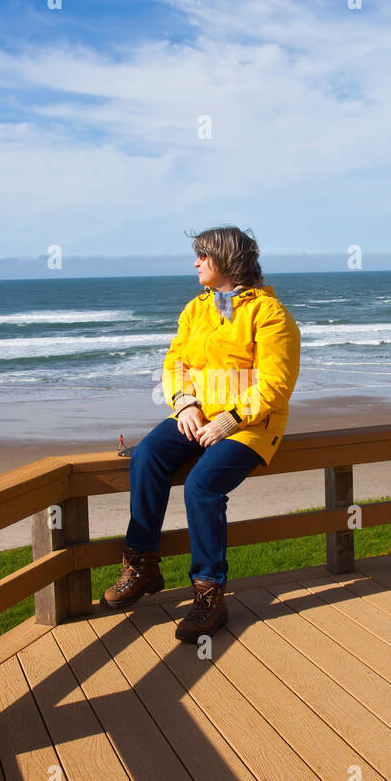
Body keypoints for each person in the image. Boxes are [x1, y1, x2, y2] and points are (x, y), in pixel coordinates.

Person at [101, 226, 301, 643]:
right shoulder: (197, 309)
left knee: (201, 487)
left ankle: (210, 595)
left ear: (227, 261)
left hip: (249, 426)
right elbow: (176, 361)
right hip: (199, 414)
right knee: (147, 456)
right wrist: (184, 403)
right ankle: (142, 566)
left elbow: (276, 384)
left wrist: (230, 419)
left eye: (203, 256)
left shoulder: (270, 314)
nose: (196, 263)